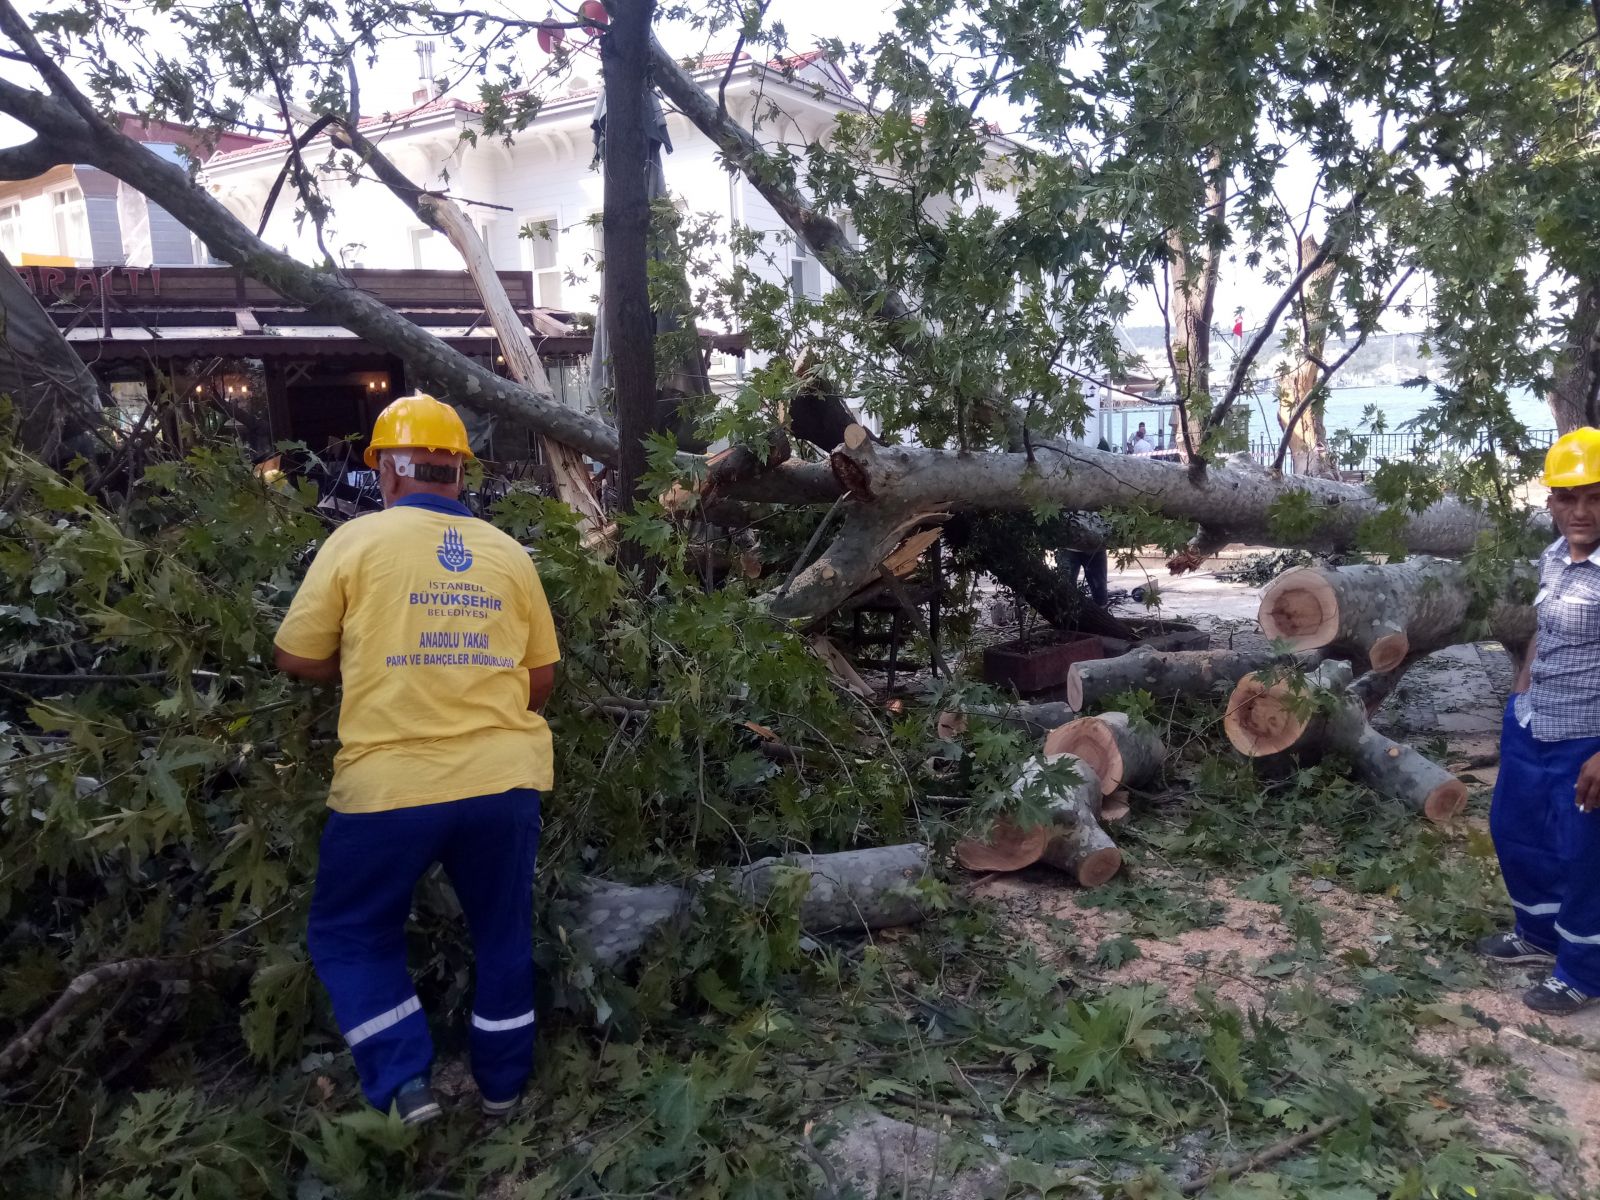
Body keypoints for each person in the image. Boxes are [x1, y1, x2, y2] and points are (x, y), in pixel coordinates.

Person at [274, 393, 560, 1122]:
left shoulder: (356, 543)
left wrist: (375, 664)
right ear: (458, 472)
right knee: (501, 935)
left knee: (350, 932)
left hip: (387, 789)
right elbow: (542, 681)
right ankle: (502, 1090)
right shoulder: (507, 554)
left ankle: (404, 1080)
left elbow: (295, 657)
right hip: (503, 782)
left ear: (387, 471)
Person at [1481, 427, 1600, 1015]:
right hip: (1533, 723)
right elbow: (1543, 633)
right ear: (1550, 500)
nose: (1581, 510)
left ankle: (1582, 970)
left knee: (1586, 855)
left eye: (1596, 496)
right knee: (1515, 830)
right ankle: (1537, 934)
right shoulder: (1553, 558)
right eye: (1568, 496)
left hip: (1588, 738)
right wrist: (1517, 700)